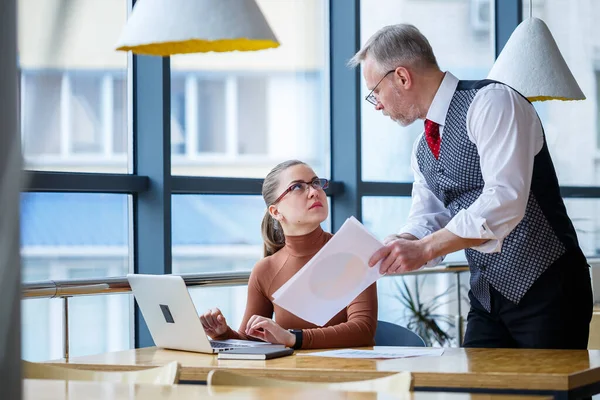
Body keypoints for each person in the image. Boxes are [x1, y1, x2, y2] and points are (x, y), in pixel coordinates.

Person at [350, 24, 592, 349]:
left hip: (547, 286)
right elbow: (428, 215)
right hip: (486, 297)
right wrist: (404, 240)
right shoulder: (423, 146)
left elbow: (504, 200)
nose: (376, 104)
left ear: (402, 78)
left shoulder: (492, 102)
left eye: (375, 92)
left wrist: (425, 249)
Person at [200, 160, 378, 349]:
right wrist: (223, 333)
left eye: (316, 182)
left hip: (350, 375)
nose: (314, 191)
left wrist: (293, 338)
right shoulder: (265, 270)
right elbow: (251, 340)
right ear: (276, 211)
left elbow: (362, 330)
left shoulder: (355, 251)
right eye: (297, 187)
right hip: (289, 376)